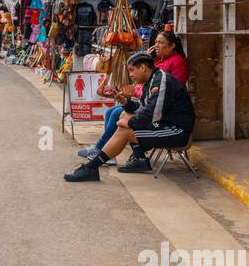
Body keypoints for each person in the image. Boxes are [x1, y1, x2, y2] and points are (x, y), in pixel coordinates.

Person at [64, 51, 195, 182]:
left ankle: (91, 168)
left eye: (132, 70)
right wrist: (124, 102)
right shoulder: (151, 81)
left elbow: (151, 113)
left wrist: (129, 124)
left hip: (176, 131)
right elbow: (141, 108)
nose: (131, 75)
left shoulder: (161, 81)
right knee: (124, 114)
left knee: (125, 130)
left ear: (143, 67)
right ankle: (139, 159)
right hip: (163, 124)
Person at [77, 30, 189, 167]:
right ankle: (102, 160)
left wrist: (130, 123)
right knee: (121, 114)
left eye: (160, 43)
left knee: (124, 122)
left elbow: (155, 108)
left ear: (171, 46)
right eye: (156, 43)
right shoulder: (155, 69)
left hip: (172, 125)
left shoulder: (171, 69)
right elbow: (147, 100)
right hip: (159, 114)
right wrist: (126, 101)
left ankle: (96, 161)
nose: (156, 45)